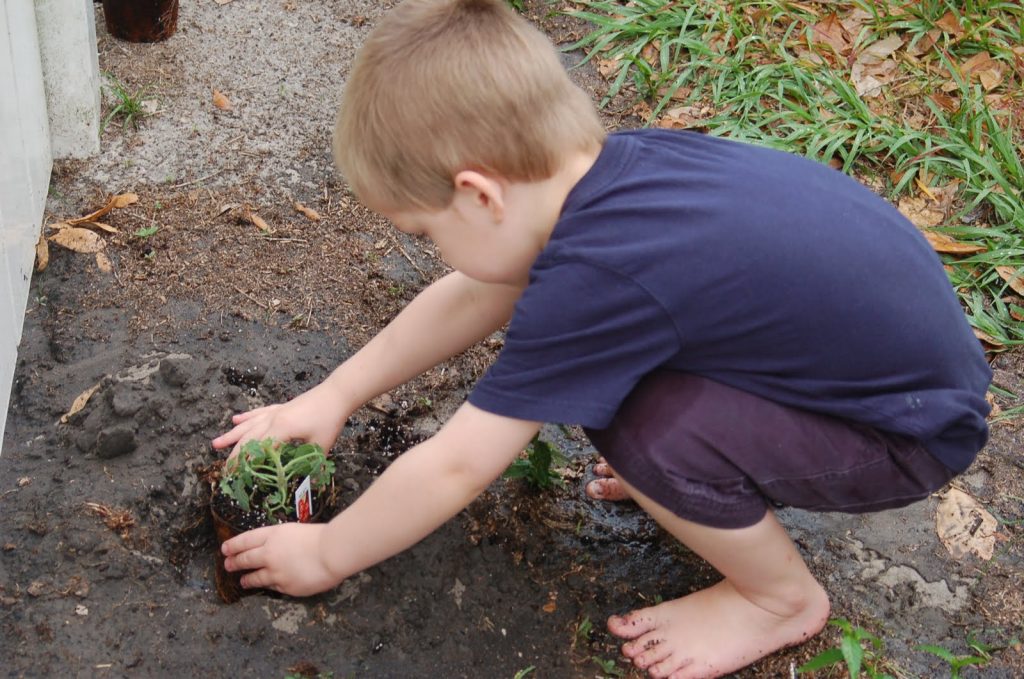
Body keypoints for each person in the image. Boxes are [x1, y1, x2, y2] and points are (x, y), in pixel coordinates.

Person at [212, 1, 992, 677]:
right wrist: (334, 394)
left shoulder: (600, 274)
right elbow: (479, 290)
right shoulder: (611, 175)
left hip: (903, 432)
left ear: (479, 194)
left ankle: (778, 598)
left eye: (425, 231)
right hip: (891, 368)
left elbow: (457, 463)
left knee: (640, 427)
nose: (435, 251)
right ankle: (708, 479)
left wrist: (326, 552)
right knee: (623, 397)